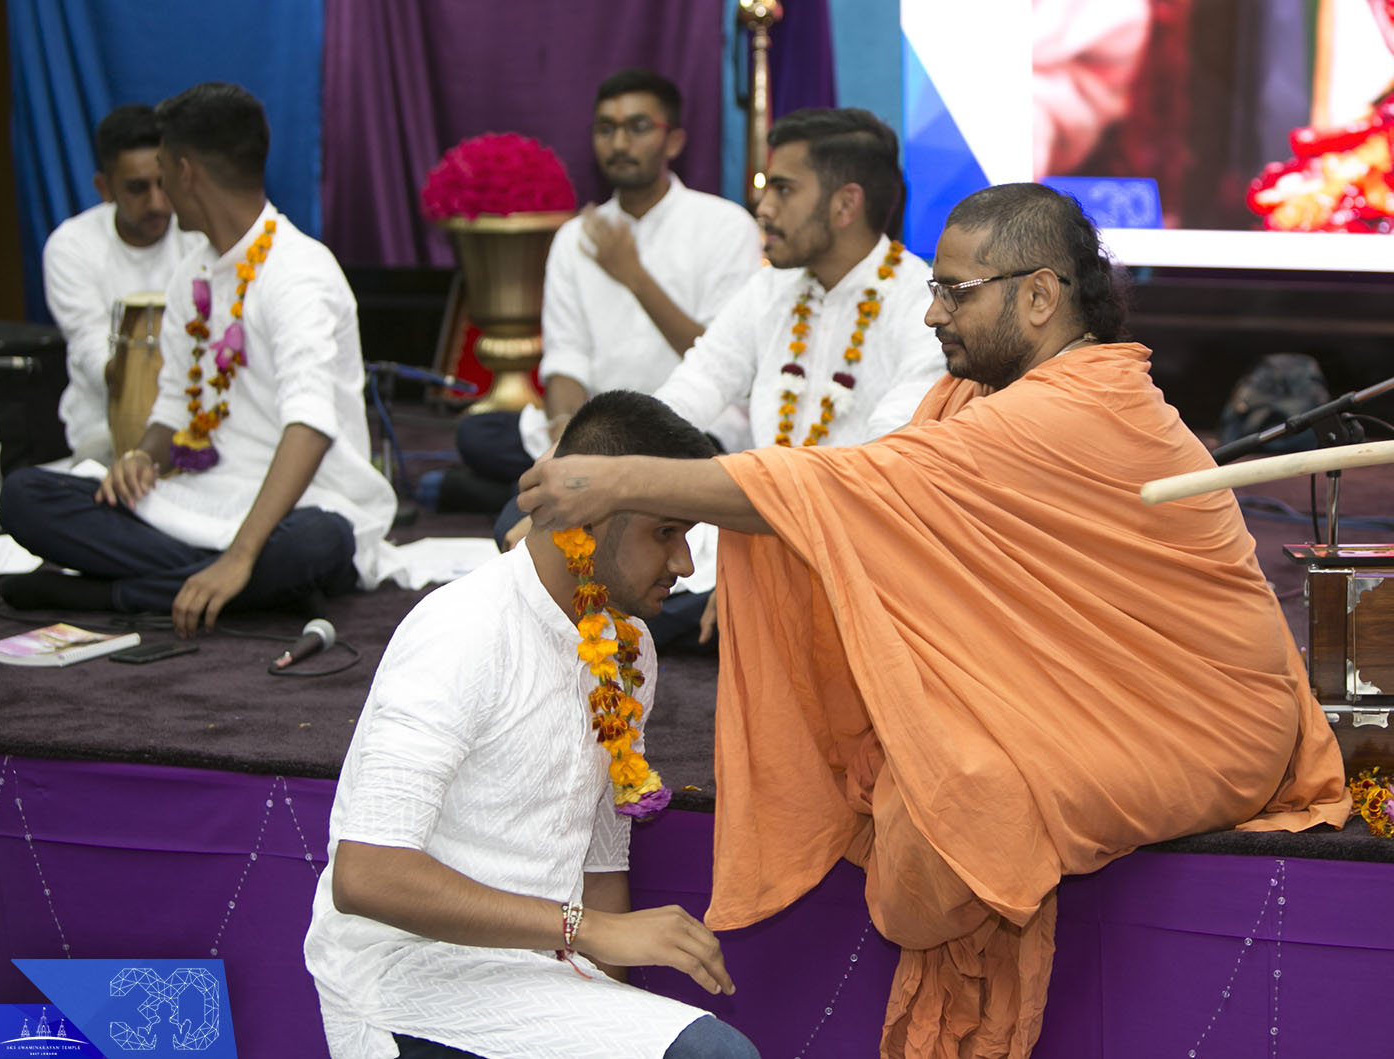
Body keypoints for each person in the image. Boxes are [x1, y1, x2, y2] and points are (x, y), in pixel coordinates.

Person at [516, 184, 1349, 1056]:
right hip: (1097, 685)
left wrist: (621, 480)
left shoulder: (1072, 408)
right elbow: (873, 503)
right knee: (929, 771)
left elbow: (841, 490)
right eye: (935, 289)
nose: (932, 315)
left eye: (956, 292)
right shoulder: (983, 399)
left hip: (1208, 720)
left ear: (1038, 295)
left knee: (956, 800)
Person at [304, 391, 760, 1059]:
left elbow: (601, 859)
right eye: (667, 532)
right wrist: (589, 929)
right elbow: (367, 874)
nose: (687, 565)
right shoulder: (460, 630)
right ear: (590, 516)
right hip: (408, 982)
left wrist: (609, 995)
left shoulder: (630, 646)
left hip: (543, 977)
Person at [0, 83, 397, 637]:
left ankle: (105, 592)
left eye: (162, 171)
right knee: (24, 496)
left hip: (301, 508)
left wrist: (240, 555)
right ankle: (218, 585)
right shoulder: (194, 273)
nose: (159, 192)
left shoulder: (299, 272)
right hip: (201, 499)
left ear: (185, 173)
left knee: (319, 544)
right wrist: (143, 454)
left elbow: (310, 426)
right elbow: (173, 409)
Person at [435, 67, 762, 514]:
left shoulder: (726, 227)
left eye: (638, 127)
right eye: (606, 129)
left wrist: (634, 276)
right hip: (595, 434)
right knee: (479, 434)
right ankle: (610, 493)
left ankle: (494, 495)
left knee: (703, 458)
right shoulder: (576, 237)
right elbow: (566, 359)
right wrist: (565, 434)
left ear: (674, 141)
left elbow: (723, 360)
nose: (620, 144)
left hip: (691, 428)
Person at [650, 106, 944, 451]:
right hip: (763, 496)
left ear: (846, 205)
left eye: (783, 190)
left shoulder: (923, 308)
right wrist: (629, 453)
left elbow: (890, 450)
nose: (763, 208)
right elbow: (699, 382)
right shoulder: (770, 287)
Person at [43, 104, 205, 465]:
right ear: (105, 188)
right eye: (137, 188)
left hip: (202, 421)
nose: (157, 203)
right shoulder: (71, 246)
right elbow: (92, 349)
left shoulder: (198, 234)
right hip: (105, 432)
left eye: (163, 184)